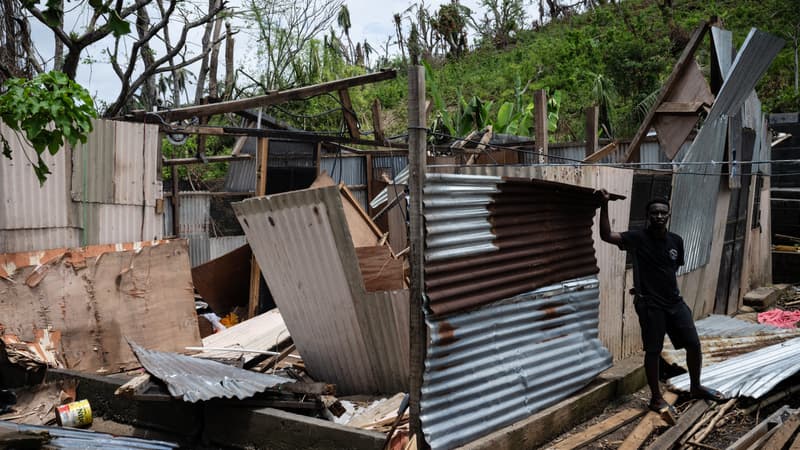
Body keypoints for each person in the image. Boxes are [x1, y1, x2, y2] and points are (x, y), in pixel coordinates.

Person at [596, 189, 724, 413]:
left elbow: (670, 270)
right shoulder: (636, 238)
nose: (658, 216)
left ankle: (696, 386)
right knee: (653, 351)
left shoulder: (676, 241)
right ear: (648, 215)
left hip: (674, 303)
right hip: (650, 305)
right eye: (654, 213)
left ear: (668, 215)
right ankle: (655, 399)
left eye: (663, 213)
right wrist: (604, 205)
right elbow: (607, 235)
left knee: (693, 344)